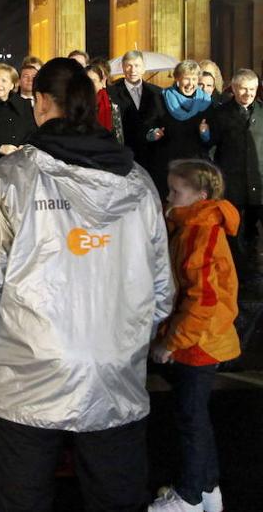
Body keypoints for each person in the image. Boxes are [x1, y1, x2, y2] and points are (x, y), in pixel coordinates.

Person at [0, 58, 172, 512]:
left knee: (20, 498)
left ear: (41, 103)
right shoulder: (138, 183)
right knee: (117, 497)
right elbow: (161, 287)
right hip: (113, 371)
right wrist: (127, 340)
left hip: (26, 373)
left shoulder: (10, 178)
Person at [147, 159, 240, 512]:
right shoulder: (190, 224)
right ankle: (207, 489)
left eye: (175, 191)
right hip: (201, 338)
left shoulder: (201, 232)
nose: (168, 197)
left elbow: (202, 300)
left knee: (190, 420)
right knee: (195, 417)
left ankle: (188, 497)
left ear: (201, 195)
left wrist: (171, 342)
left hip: (199, 342)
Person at [204, 69, 263, 277]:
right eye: (244, 89)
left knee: (253, 231)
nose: (248, 94)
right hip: (231, 183)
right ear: (234, 88)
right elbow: (210, 147)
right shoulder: (220, 114)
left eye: (252, 89)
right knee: (232, 230)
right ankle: (236, 272)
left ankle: (254, 270)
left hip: (258, 183)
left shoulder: (261, 112)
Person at [146, 60, 213, 200]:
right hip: (168, 165)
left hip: (195, 165)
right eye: (186, 79)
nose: (190, 83)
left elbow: (213, 137)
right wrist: (153, 134)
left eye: (194, 79)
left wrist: (205, 133)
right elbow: (149, 125)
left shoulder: (206, 102)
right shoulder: (161, 98)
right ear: (177, 79)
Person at [109, 49, 165, 168]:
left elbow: (161, 119)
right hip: (124, 155)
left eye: (137, 65)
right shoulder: (112, 92)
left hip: (152, 156)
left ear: (143, 68)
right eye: (128, 65)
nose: (133, 70)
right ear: (123, 68)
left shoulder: (157, 93)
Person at [85, 60, 124, 142]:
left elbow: (118, 133)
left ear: (101, 81)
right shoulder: (77, 104)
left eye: (93, 81)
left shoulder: (113, 103)